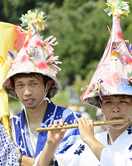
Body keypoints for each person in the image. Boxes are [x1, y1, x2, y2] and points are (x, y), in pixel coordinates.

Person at [35, 1, 132, 165]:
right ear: (100, 105)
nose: (115, 108)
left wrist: (90, 140)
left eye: (123, 101)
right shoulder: (91, 142)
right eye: (108, 102)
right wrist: (51, 145)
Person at [2, 10, 82, 166]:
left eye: (33, 83)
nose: (26, 92)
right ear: (13, 88)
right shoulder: (9, 126)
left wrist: (20, 159)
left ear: (48, 84)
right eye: (20, 85)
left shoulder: (70, 120)